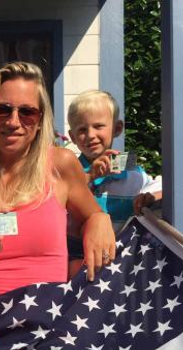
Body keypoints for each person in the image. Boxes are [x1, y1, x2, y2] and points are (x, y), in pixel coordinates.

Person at [0, 61, 116, 326]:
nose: (13, 122)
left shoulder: (60, 165)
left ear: (40, 121)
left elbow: (92, 215)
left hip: (40, 330)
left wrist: (99, 218)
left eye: (27, 112)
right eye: (2, 110)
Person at [66, 89, 162, 276]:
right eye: (82, 130)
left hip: (119, 267)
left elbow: (163, 187)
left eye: (98, 126)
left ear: (117, 129)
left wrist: (150, 197)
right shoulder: (68, 173)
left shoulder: (132, 172)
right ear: (72, 137)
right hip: (76, 262)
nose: (90, 135)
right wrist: (89, 176)